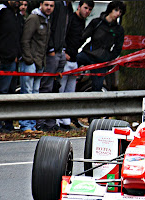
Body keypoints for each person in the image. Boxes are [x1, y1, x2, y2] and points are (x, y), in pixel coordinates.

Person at [57, 0, 95, 131]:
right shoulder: (71, 18)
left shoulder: (82, 22)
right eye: (85, 8)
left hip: (74, 59)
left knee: (70, 91)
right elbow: (63, 35)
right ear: (79, 7)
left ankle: (65, 120)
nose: (87, 11)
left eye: (90, 9)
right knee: (61, 90)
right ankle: (57, 119)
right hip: (66, 57)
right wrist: (64, 51)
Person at [37, 1, 74, 132]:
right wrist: (51, 48)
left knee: (55, 87)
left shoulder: (67, 6)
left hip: (60, 51)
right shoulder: (57, 5)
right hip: (52, 52)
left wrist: (62, 48)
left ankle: (50, 122)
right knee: (46, 87)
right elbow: (51, 28)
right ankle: (41, 122)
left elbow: (63, 29)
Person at [18, 1, 54, 133]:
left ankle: (32, 125)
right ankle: (25, 125)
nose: (49, 8)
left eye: (51, 5)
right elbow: (25, 40)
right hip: (30, 63)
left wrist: (40, 62)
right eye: (46, 5)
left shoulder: (46, 20)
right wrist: (29, 60)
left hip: (39, 62)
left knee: (35, 94)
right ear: (41, 5)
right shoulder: (33, 18)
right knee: (27, 94)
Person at [75, 0, 126, 92]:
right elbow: (83, 37)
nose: (118, 14)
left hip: (101, 60)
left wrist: (109, 58)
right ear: (110, 10)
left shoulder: (119, 30)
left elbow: (118, 47)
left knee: (97, 88)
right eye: (116, 10)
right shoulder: (97, 22)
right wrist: (73, 51)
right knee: (73, 61)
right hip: (88, 54)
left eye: (120, 12)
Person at [0, 1, 22, 133]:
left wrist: (16, 54)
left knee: (5, 92)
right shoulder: (1, 9)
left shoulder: (17, 15)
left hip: (11, 60)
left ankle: (0, 124)